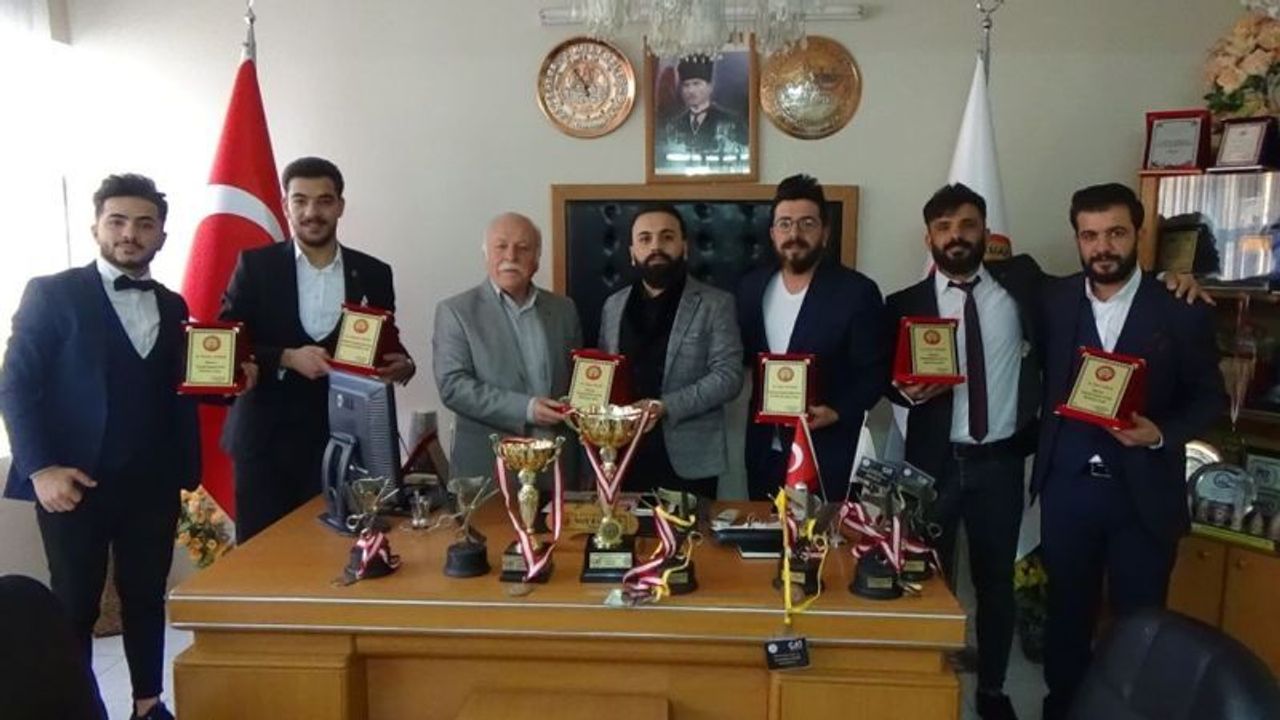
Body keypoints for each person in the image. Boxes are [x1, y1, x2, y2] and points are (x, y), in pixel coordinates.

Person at [0, 174, 251, 720]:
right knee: (74, 604)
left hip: (153, 481)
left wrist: (233, 382)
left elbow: (181, 385)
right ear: (96, 227)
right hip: (73, 483)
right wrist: (40, 469)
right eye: (117, 221)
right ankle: (75, 709)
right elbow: (15, 384)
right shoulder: (52, 293)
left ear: (161, 235)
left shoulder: (173, 303)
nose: (129, 234)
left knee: (146, 598)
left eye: (144, 224)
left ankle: (147, 704)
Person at [1033, 183, 1226, 720]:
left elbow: (1210, 398)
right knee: (1066, 618)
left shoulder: (1180, 308)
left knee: (1140, 628)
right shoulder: (1053, 301)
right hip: (1068, 489)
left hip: (1143, 493)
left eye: (1115, 233)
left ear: (1139, 233)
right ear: (1077, 239)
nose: (1103, 247)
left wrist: (1160, 432)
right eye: (1090, 235)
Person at [886, 184, 1045, 720]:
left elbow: (1095, 286)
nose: (956, 236)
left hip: (999, 464)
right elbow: (884, 376)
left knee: (995, 585)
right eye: (944, 227)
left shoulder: (1024, 287)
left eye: (967, 225)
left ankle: (992, 690)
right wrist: (904, 391)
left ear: (986, 232)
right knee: (923, 580)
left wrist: (1172, 277)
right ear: (928, 238)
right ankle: (924, 684)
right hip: (933, 465)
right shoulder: (903, 304)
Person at [220, 157, 414, 543]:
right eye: (300, 200)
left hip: (344, 443)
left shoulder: (374, 272)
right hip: (266, 444)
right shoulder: (256, 267)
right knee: (264, 559)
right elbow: (228, 344)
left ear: (340, 206)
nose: (312, 212)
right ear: (285, 205)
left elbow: (383, 340)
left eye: (324, 201)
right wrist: (286, 358)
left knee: (340, 554)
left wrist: (404, 365)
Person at [738, 174, 889, 500]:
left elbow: (875, 371)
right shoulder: (751, 288)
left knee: (825, 534)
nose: (795, 234)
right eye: (785, 224)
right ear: (773, 233)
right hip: (765, 452)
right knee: (766, 532)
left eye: (807, 223)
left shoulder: (856, 292)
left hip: (828, 451)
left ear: (825, 232)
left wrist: (837, 411)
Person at [596, 204, 744, 499]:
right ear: (632, 252)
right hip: (622, 454)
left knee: (692, 531)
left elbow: (729, 377)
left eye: (667, 237)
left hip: (690, 460)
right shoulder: (613, 306)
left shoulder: (716, 304)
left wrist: (664, 406)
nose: (656, 247)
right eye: (645, 239)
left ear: (684, 247)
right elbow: (603, 376)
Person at [433, 212, 583, 483]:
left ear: (537, 258)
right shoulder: (456, 312)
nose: (511, 256)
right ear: (486, 253)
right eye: (501, 246)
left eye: (523, 248)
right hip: (490, 470)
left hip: (557, 468)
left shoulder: (564, 309)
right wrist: (527, 409)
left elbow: (577, 382)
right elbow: (453, 387)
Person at [660, 57, 748, 156]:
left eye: (696, 84)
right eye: (686, 85)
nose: (691, 91)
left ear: (710, 87)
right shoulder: (674, 125)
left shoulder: (731, 122)